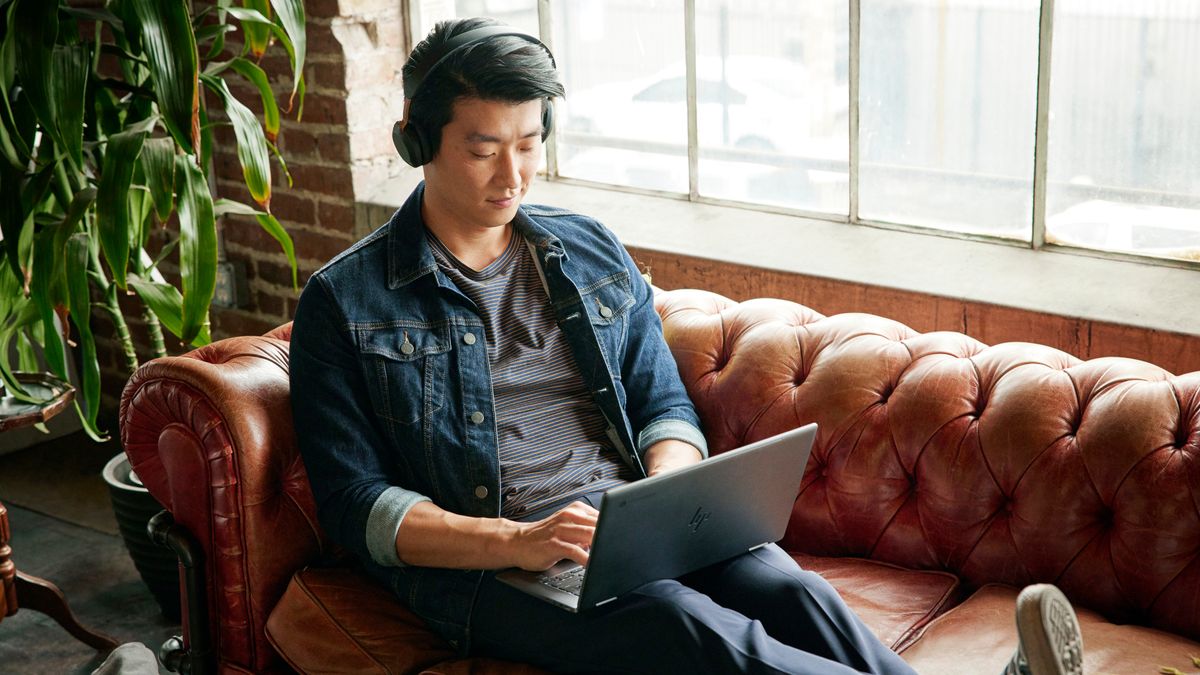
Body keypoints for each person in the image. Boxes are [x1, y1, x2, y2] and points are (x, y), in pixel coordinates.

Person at [289, 16, 1084, 675]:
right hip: (495, 565)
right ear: (415, 142)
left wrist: (667, 493)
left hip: (633, 527)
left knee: (793, 592)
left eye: (530, 142)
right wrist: (518, 540)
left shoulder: (588, 251)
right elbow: (358, 506)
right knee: (691, 628)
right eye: (483, 146)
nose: (514, 173)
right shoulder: (345, 301)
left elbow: (661, 400)